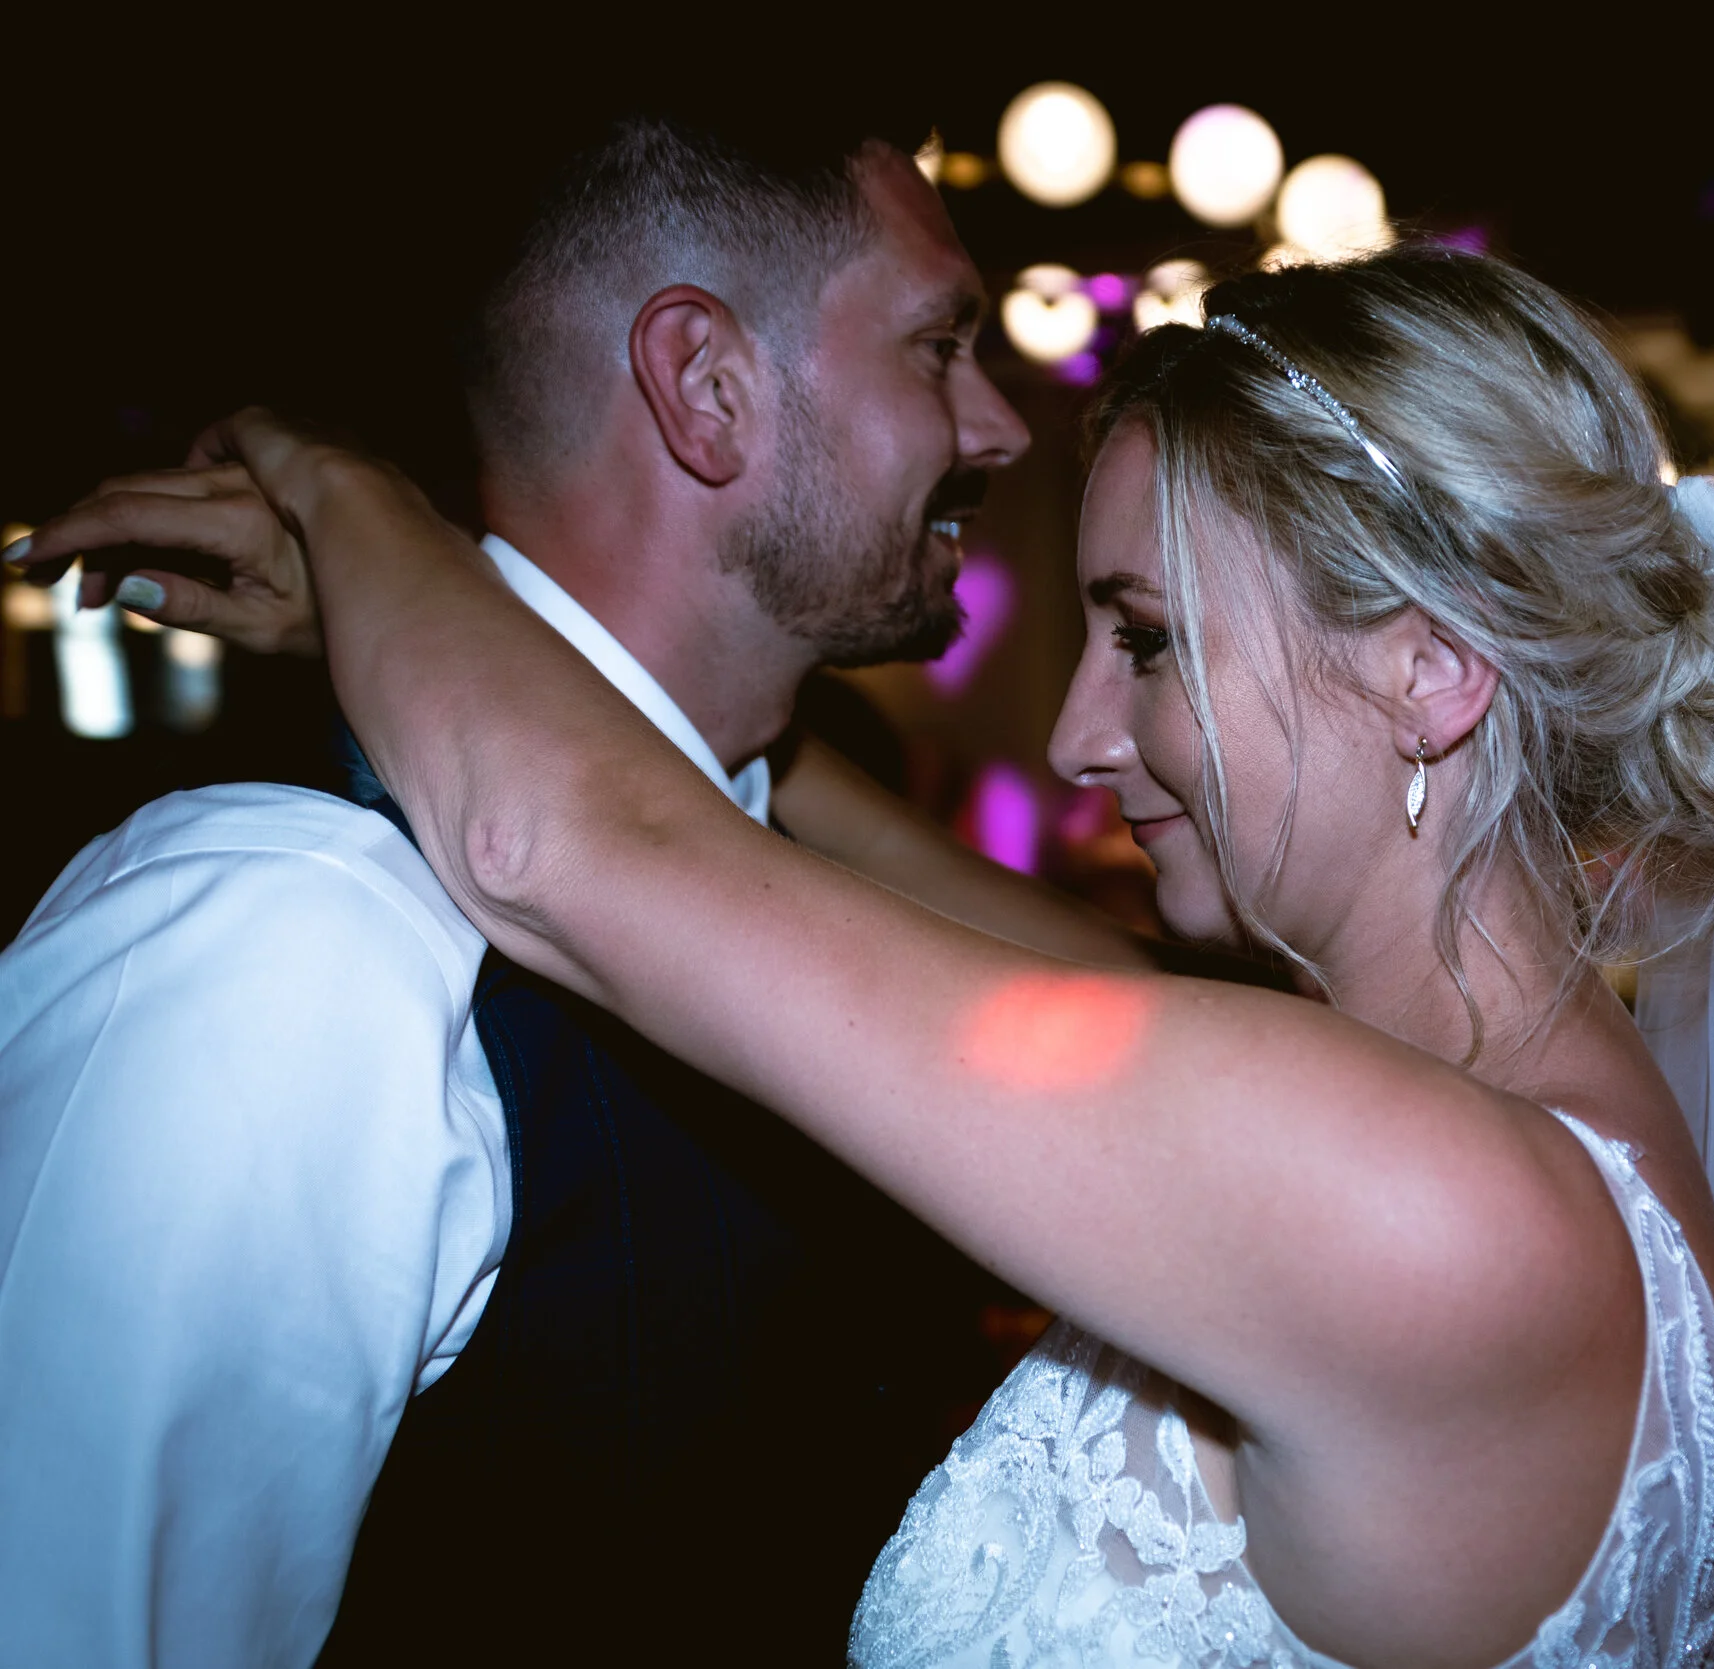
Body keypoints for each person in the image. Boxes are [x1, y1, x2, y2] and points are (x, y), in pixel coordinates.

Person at [27, 249, 1714, 1666]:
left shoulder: (1415, 1204)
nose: (1073, 734)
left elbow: (554, 849)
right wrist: (697, 696)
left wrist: (349, 491)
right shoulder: (1519, 1133)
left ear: (1426, 669)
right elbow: (891, 889)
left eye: (1143, 639)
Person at [0, 115, 1134, 1665]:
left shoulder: (785, 861)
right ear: (705, 383)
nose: (1000, 426)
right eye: (941, 345)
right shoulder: (286, 943)